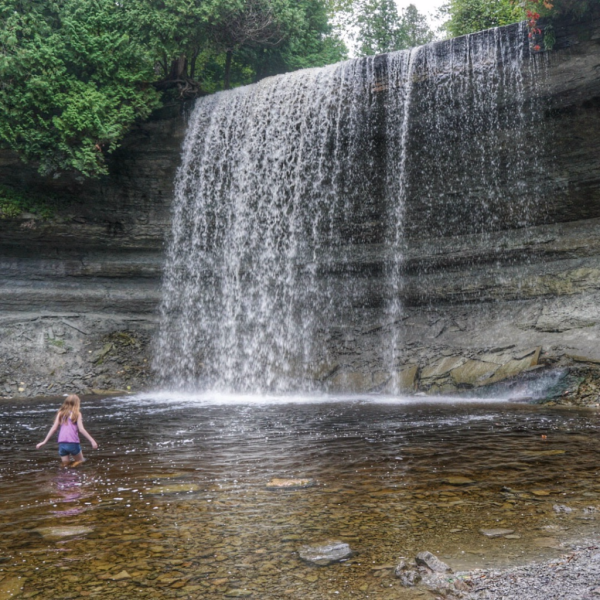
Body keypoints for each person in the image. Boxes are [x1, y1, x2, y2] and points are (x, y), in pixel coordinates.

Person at [36, 394, 98, 467]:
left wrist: (44, 441)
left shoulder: (60, 413)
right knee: (81, 460)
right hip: (73, 442)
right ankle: (73, 466)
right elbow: (81, 429)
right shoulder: (77, 414)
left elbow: (54, 428)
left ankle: (62, 476)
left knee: (65, 465)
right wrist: (92, 440)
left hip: (62, 443)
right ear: (77, 403)